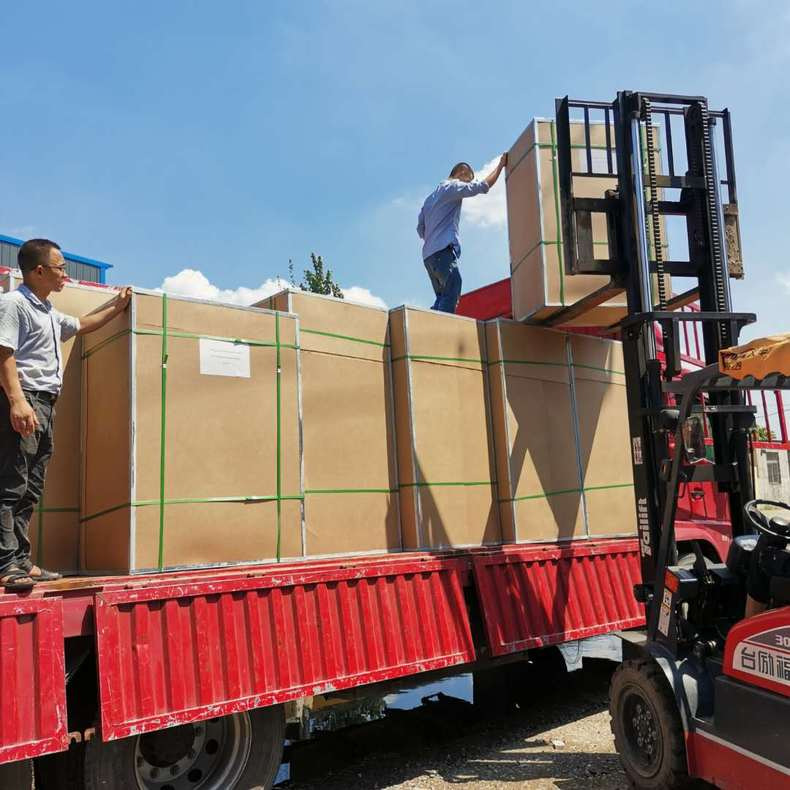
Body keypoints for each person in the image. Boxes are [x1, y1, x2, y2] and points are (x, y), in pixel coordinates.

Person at [0, 239, 131, 589]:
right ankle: (4, 564)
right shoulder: (13, 304)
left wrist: (117, 306)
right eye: (60, 268)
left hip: (44, 404)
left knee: (31, 487)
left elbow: (82, 324)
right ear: (39, 271)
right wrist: (17, 401)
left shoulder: (47, 311)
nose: (65, 275)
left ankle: (20, 560)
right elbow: (3, 354)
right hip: (25, 399)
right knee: (11, 484)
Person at [417, 155, 507, 313]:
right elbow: (483, 186)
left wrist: (434, 235)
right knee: (453, 288)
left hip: (428, 257)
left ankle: (432, 322)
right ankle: (444, 326)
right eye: (468, 180)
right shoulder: (453, 187)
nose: (468, 184)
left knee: (442, 297)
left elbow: (420, 229)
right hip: (441, 252)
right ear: (462, 173)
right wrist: (500, 166)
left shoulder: (429, 199)